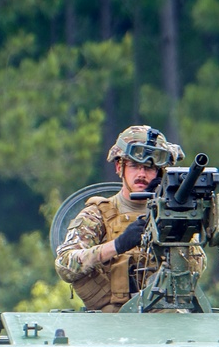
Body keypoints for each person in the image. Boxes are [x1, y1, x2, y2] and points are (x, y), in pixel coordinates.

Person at [55, 125, 189, 311]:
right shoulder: (97, 214)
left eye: (150, 168)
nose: (141, 174)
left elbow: (197, 267)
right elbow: (65, 264)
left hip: (164, 321)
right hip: (111, 323)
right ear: (120, 167)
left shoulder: (171, 215)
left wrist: (176, 235)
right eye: (134, 166)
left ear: (160, 173)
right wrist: (117, 245)